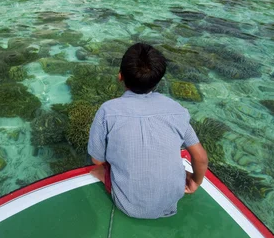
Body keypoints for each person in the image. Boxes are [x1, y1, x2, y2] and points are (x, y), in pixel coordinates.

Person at [88, 42, 208, 219]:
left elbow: (96, 159)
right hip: (172, 201)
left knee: (98, 168)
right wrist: (194, 183)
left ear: (120, 76)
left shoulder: (107, 111)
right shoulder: (176, 110)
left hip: (127, 206)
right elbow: (200, 157)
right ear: (158, 81)